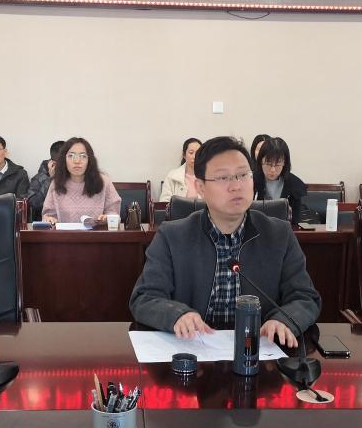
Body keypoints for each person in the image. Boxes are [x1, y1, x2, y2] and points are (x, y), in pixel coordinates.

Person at [130, 136, 321, 346]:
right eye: (223, 178)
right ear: (200, 187)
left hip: (258, 350)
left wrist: (283, 320)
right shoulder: (172, 236)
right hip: (192, 350)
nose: (236, 186)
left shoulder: (279, 234)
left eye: (243, 175)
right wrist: (177, 315)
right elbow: (145, 298)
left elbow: (305, 297)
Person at [41, 138, 121, 224]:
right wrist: (49, 219)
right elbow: (48, 215)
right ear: (64, 160)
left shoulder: (104, 182)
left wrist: (107, 218)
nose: (77, 161)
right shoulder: (56, 183)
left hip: (97, 232)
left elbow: (114, 213)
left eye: (83, 156)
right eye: (71, 156)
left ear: (89, 160)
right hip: (64, 232)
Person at [253, 137, 308, 223]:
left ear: (284, 163)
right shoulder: (250, 181)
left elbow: (296, 220)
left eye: (278, 165)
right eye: (268, 164)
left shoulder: (294, 185)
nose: (272, 170)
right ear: (260, 161)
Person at [26, 140, 64, 219]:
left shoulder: (76, 176)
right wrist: (51, 179)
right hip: (47, 222)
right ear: (53, 163)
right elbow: (34, 204)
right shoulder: (39, 178)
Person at [159, 137, 202, 202]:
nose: (194, 156)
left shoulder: (208, 176)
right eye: (191, 153)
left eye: (198, 153)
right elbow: (164, 202)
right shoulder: (172, 176)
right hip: (178, 209)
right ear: (184, 155)